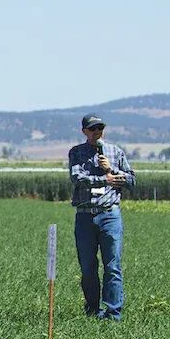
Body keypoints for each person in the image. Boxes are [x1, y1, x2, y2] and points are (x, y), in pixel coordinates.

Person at [69, 114, 135, 321]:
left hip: (110, 215)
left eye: (100, 128)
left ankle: (113, 313)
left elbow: (132, 180)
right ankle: (92, 310)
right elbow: (77, 178)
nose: (97, 132)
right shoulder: (77, 152)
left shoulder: (116, 152)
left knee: (112, 266)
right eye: (92, 129)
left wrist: (111, 170)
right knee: (88, 267)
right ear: (84, 132)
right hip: (85, 216)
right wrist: (104, 180)